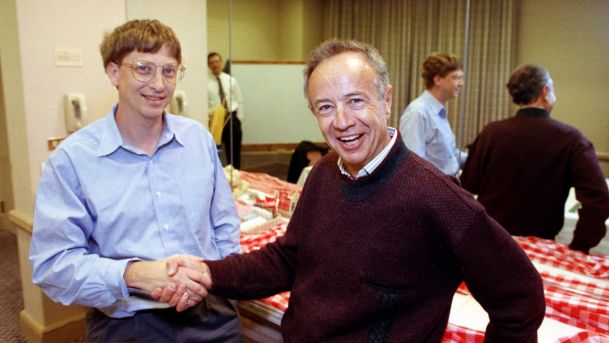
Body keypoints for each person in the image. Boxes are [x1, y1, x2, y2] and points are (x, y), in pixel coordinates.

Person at [156, 39, 545, 342]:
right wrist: (209, 272)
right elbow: (288, 260)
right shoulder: (324, 173)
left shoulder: (438, 199)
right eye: (325, 107)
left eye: (355, 101)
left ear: (387, 99)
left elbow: (520, 297)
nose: (342, 122)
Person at [29, 19, 242, 342]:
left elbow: (224, 224)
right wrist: (134, 274)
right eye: (143, 68)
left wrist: (217, 278)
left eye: (169, 71)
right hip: (129, 322)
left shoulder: (197, 139)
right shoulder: (72, 160)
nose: (159, 84)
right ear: (113, 72)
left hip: (211, 312)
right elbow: (53, 265)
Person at [461, 64, 609, 254]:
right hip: (540, 246)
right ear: (545, 91)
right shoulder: (571, 139)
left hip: (489, 240)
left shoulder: (492, 132)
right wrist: (580, 245)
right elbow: (598, 198)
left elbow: (468, 185)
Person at [399, 52, 467, 176]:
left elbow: (449, 155)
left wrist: (479, 159)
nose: (461, 84)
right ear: (438, 80)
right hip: (432, 192)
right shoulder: (417, 113)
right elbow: (413, 166)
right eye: (456, 78)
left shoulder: (438, 112)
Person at [208, 52, 244, 169]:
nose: (215, 65)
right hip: (216, 120)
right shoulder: (206, 83)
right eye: (212, 63)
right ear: (209, 65)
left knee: (234, 153)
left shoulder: (231, 80)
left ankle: (235, 176)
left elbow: (239, 100)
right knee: (216, 152)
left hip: (232, 118)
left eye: (217, 62)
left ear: (221, 62)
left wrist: (239, 119)